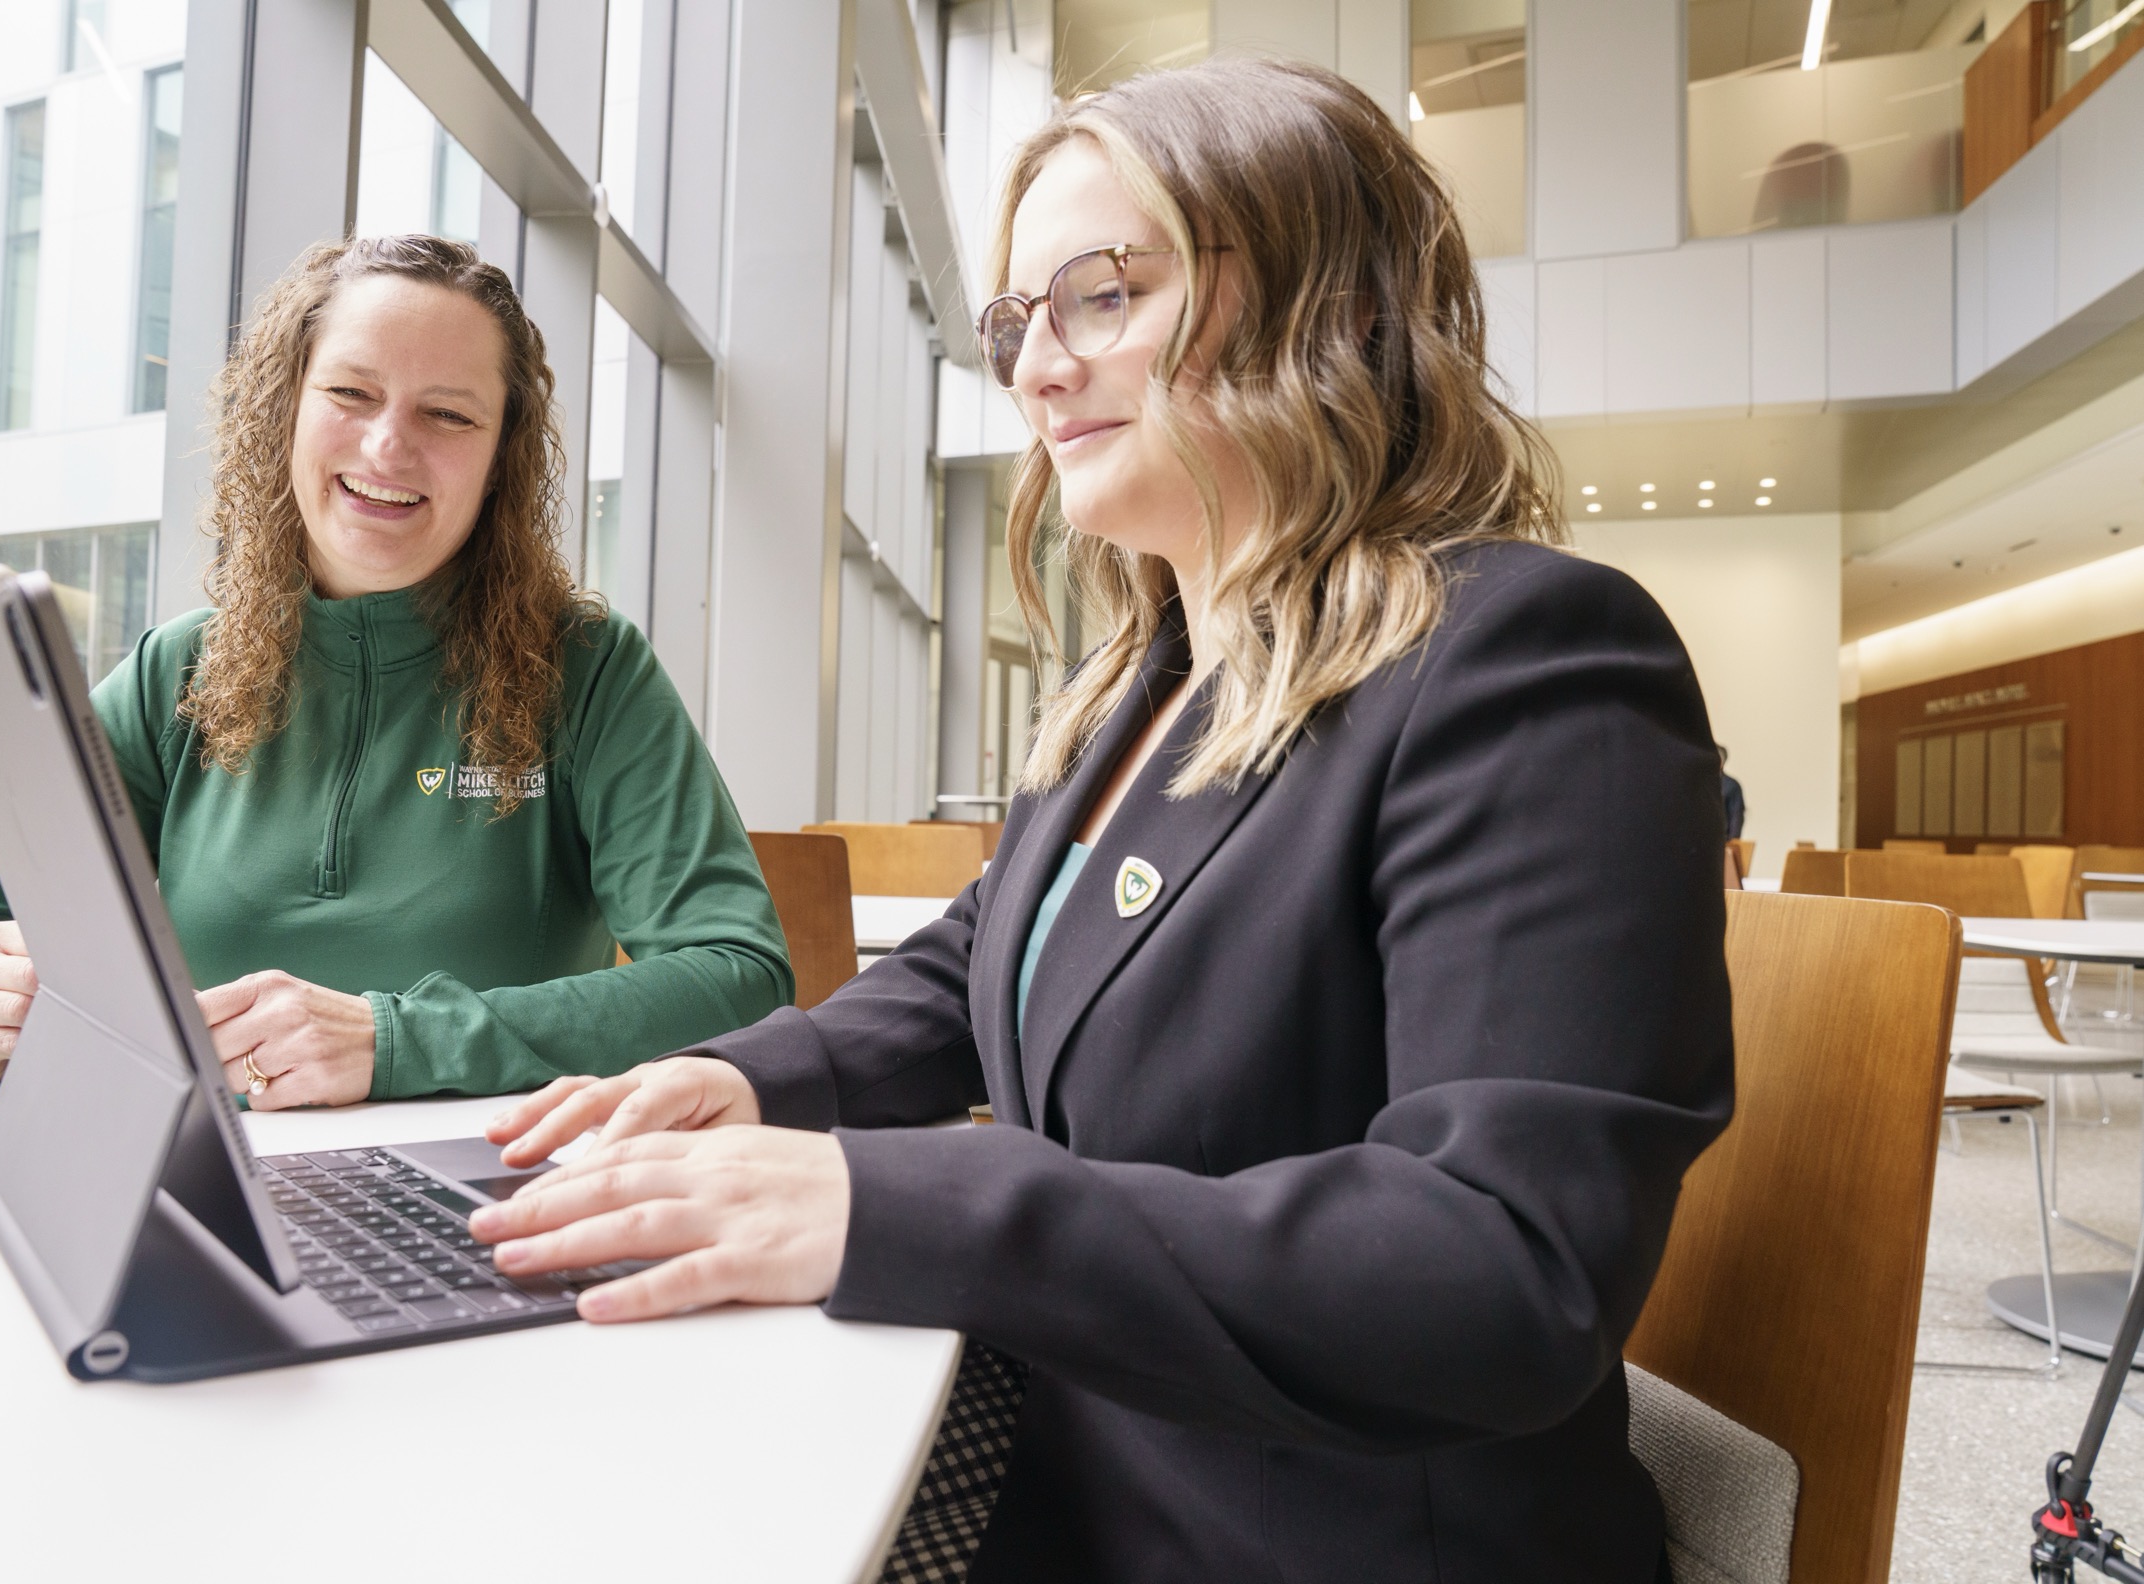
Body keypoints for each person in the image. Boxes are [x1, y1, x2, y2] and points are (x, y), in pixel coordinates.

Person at [470, 61, 1731, 1581]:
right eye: (1017, 323)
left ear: (1328, 305)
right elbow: (980, 955)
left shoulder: (1527, 657)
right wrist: (740, 1082)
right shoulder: (1149, 680)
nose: (1036, 369)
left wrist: (909, 1196)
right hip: (1087, 1472)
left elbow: (1503, 1269)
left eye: (1105, 294)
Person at [0, 235, 791, 1106]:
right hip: (197, 1181)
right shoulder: (179, 671)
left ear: (501, 460)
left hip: (478, 1195)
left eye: (449, 413)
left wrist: (396, 1041)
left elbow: (738, 974)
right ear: (284, 411)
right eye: (349, 393)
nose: (388, 446)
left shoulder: (587, 671)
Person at [1719, 744, 1747, 840]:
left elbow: (1736, 818)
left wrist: (1732, 844)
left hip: (1723, 843)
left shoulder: (1731, 786)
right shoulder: (1699, 782)